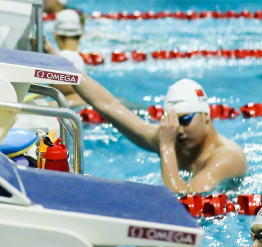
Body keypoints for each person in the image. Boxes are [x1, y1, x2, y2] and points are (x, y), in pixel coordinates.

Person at [73, 77, 247, 194]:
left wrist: (166, 146)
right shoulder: (172, 139)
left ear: (206, 116)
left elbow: (182, 198)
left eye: (185, 120)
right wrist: (64, 64)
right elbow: (108, 105)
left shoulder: (227, 157)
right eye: (171, 122)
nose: (177, 130)